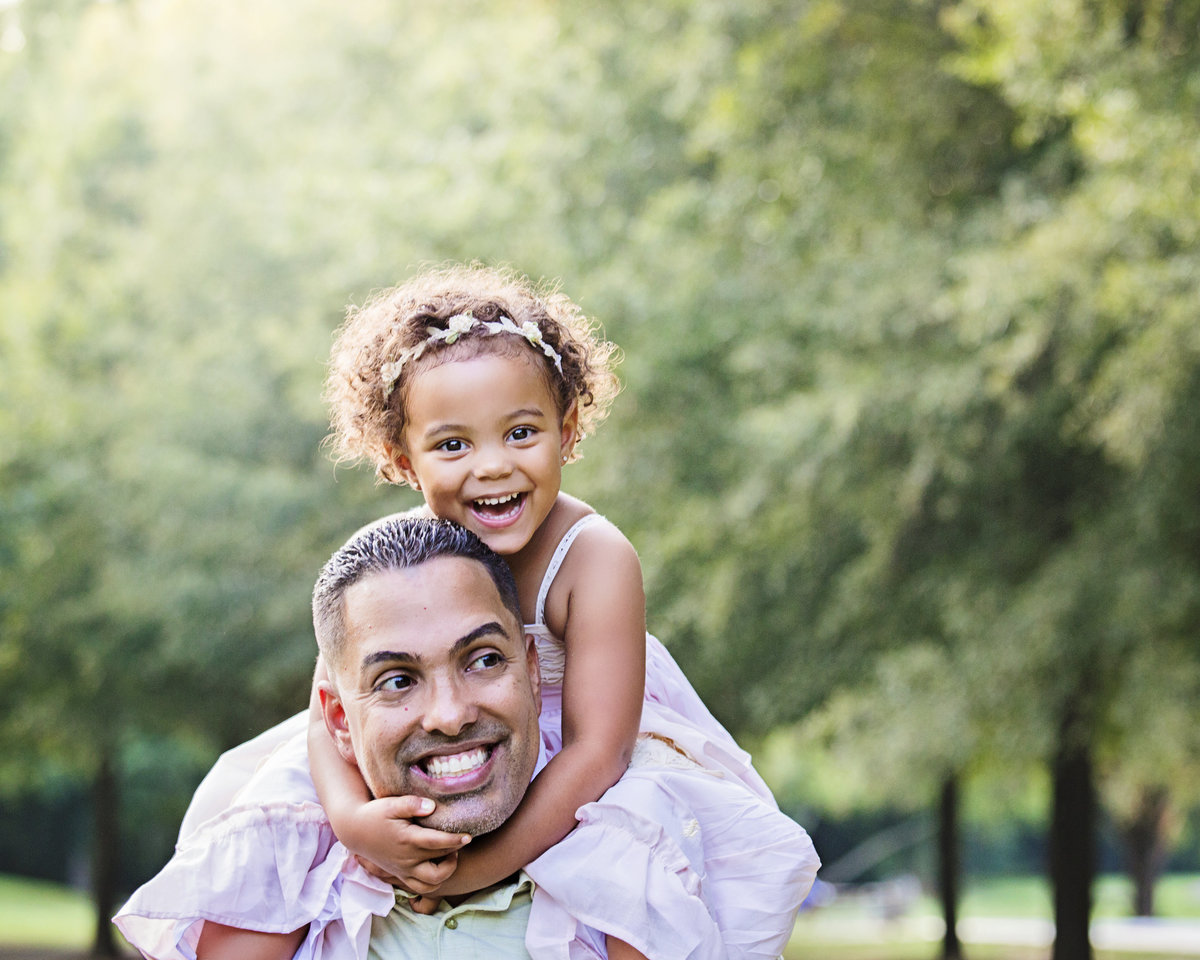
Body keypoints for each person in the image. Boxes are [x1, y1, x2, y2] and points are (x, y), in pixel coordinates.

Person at [117, 264, 820, 959]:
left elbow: (597, 752)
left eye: (521, 433)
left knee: (633, 836)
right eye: (453, 445)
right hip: (423, 738)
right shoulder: (401, 559)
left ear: (568, 428)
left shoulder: (596, 557)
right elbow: (324, 707)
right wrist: (355, 820)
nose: (492, 467)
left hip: (575, 750)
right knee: (281, 823)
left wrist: (472, 872)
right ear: (402, 458)